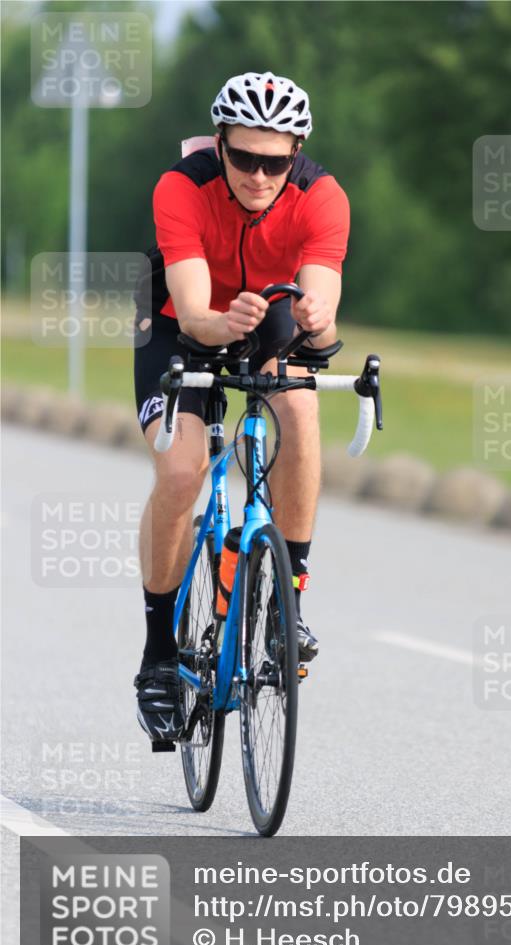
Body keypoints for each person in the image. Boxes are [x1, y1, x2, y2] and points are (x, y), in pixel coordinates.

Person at [132, 71, 350, 743]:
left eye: (275, 162)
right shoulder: (182, 186)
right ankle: (159, 654)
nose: (259, 176)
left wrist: (313, 318)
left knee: (300, 405)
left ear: (297, 153)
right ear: (219, 143)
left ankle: (290, 599)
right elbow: (195, 311)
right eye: (245, 158)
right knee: (181, 472)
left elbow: (323, 307)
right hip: (178, 321)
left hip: (270, 319)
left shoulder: (322, 197)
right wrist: (220, 323)